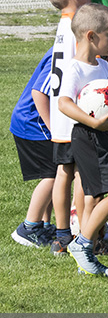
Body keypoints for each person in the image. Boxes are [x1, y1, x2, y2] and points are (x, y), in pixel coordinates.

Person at [57, 4, 108, 276]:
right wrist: (93, 122)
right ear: (90, 36)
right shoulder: (74, 69)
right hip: (87, 136)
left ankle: (89, 256)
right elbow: (64, 103)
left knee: (93, 197)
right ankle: (83, 244)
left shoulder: (104, 66)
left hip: (103, 135)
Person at [43, 0, 93, 255]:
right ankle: (86, 235)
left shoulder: (64, 25)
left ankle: (62, 234)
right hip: (74, 111)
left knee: (64, 171)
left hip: (59, 110)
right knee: (83, 175)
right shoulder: (79, 26)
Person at [10, 48, 56, 248]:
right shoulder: (61, 54)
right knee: (55, 174)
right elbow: (38, 93)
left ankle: (43, 225)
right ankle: (28, 227)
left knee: (56, 171)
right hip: (33, 122)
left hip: (35, 121)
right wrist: (52, 129)